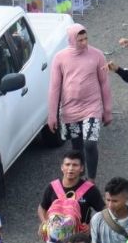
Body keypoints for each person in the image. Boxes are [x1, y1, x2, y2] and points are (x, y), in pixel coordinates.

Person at [47, 24, 113, 180]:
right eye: (80, 40)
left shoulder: (97, 55)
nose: (84, 43)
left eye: (85, 39)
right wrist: (52, 115)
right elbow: (55, 87)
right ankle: (80, 178)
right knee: (76, 147)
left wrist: (107, 110)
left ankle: (91, 180)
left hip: (92, 107)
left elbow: (104, 83)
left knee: (90, 143)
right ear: (71, 40)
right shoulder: (60, 58)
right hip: (70, 109)